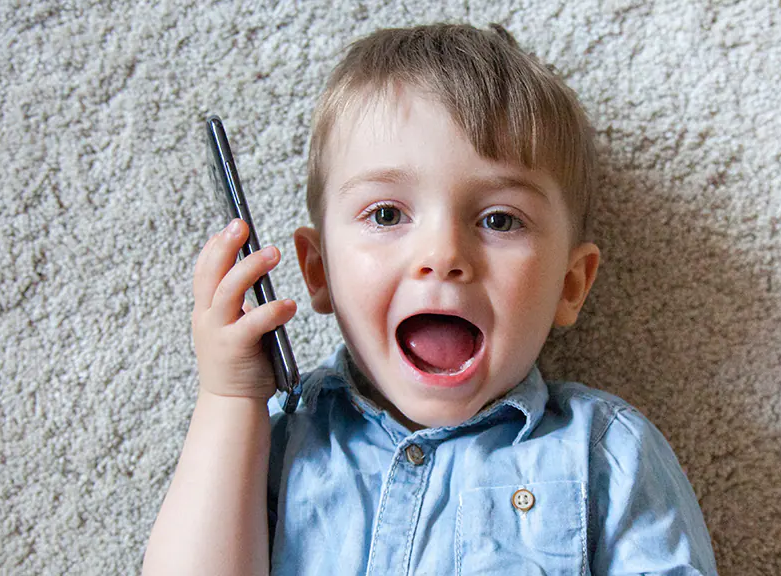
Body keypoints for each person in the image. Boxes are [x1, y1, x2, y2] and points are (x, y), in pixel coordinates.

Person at [143, 23, 717, 576]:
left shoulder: (604, 452)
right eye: (386, 214)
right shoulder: (274, 438)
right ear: (319, 271)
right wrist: (228, 397)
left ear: (570, 285)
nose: (443, 254)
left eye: (499, 219)